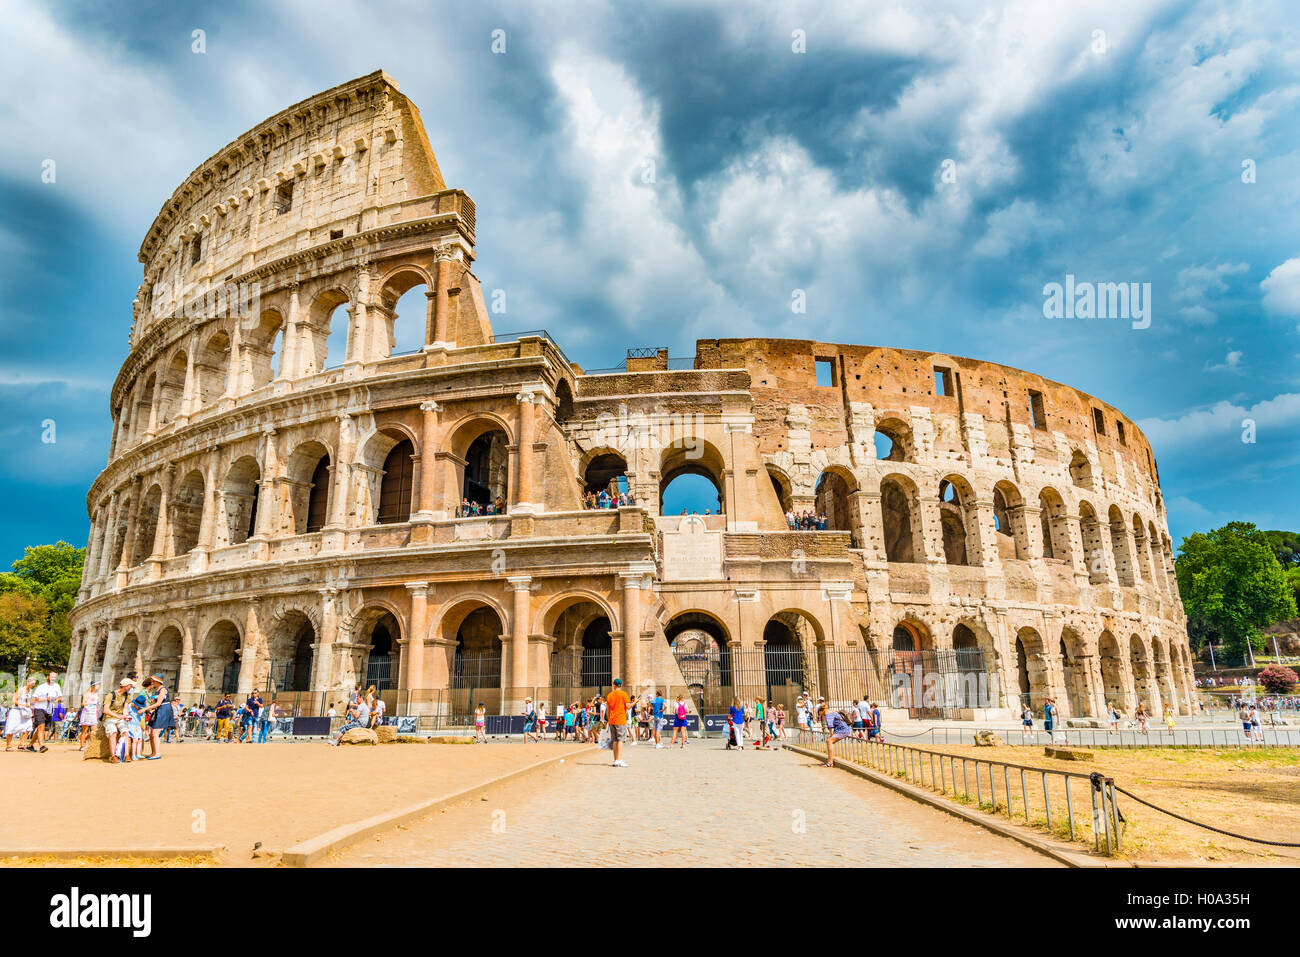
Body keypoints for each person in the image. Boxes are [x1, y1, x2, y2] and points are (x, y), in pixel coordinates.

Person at [30, 671, 63, 753]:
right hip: (39, 708)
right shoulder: (41, 687)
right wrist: (46, 699)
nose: (53, 679)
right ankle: (42, 746)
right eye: (52, 677)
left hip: (49, 710)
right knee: (41, 727)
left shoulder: (57, 686)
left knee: (40, 729)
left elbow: (60, 698)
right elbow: (34, 699)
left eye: (54, 677)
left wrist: (55, 700)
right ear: (47, 677)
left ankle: (30, 745)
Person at [605, 678, 632, 767]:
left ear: (614, 684)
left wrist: (609, 720)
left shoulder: (610, 695)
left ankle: (615, 760)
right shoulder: (624, 694)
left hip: (612, 720)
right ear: (621, 685)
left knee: (615, 740)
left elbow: (607, 710)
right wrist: (635, 702)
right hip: (621, 719)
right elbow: (628, 707)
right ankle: (619, 760)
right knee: (621, 740)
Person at [818, 703, 853, 768]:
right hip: (844, 728)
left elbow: (830, 727)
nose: (819, 714)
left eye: (819, 713)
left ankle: (830, 762)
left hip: (842, 730)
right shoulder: (831, 711)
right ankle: (829, 760)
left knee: (829, 741)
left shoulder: (827, 715)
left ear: (821, 711)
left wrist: (831, 735)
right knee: (829, 741)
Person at [4, 677, 35, 751]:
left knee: (28, 726)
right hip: (16, 711)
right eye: (32, 683)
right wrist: (23, 704)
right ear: (28, 682)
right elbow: (14, 700)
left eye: (34, 684)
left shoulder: (30, 691)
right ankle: (8, 745)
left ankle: (22, 744)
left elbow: (29, 701)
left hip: (25, 712)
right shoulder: (21, 690)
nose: (33, 685)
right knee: (12, 727)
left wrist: (30, 705)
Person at [77, 682, 100, 751]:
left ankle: (86, 738)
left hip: (93, 714)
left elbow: (97, 704)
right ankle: (82, 746)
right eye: (97, 685)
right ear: (93, 686)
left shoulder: (96, 695)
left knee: (95, 731)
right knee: (84, 731)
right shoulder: (87, 694)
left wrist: (97, 708)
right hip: (86, 713)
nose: (99, 686)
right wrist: (90, 704)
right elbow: (83, 703)